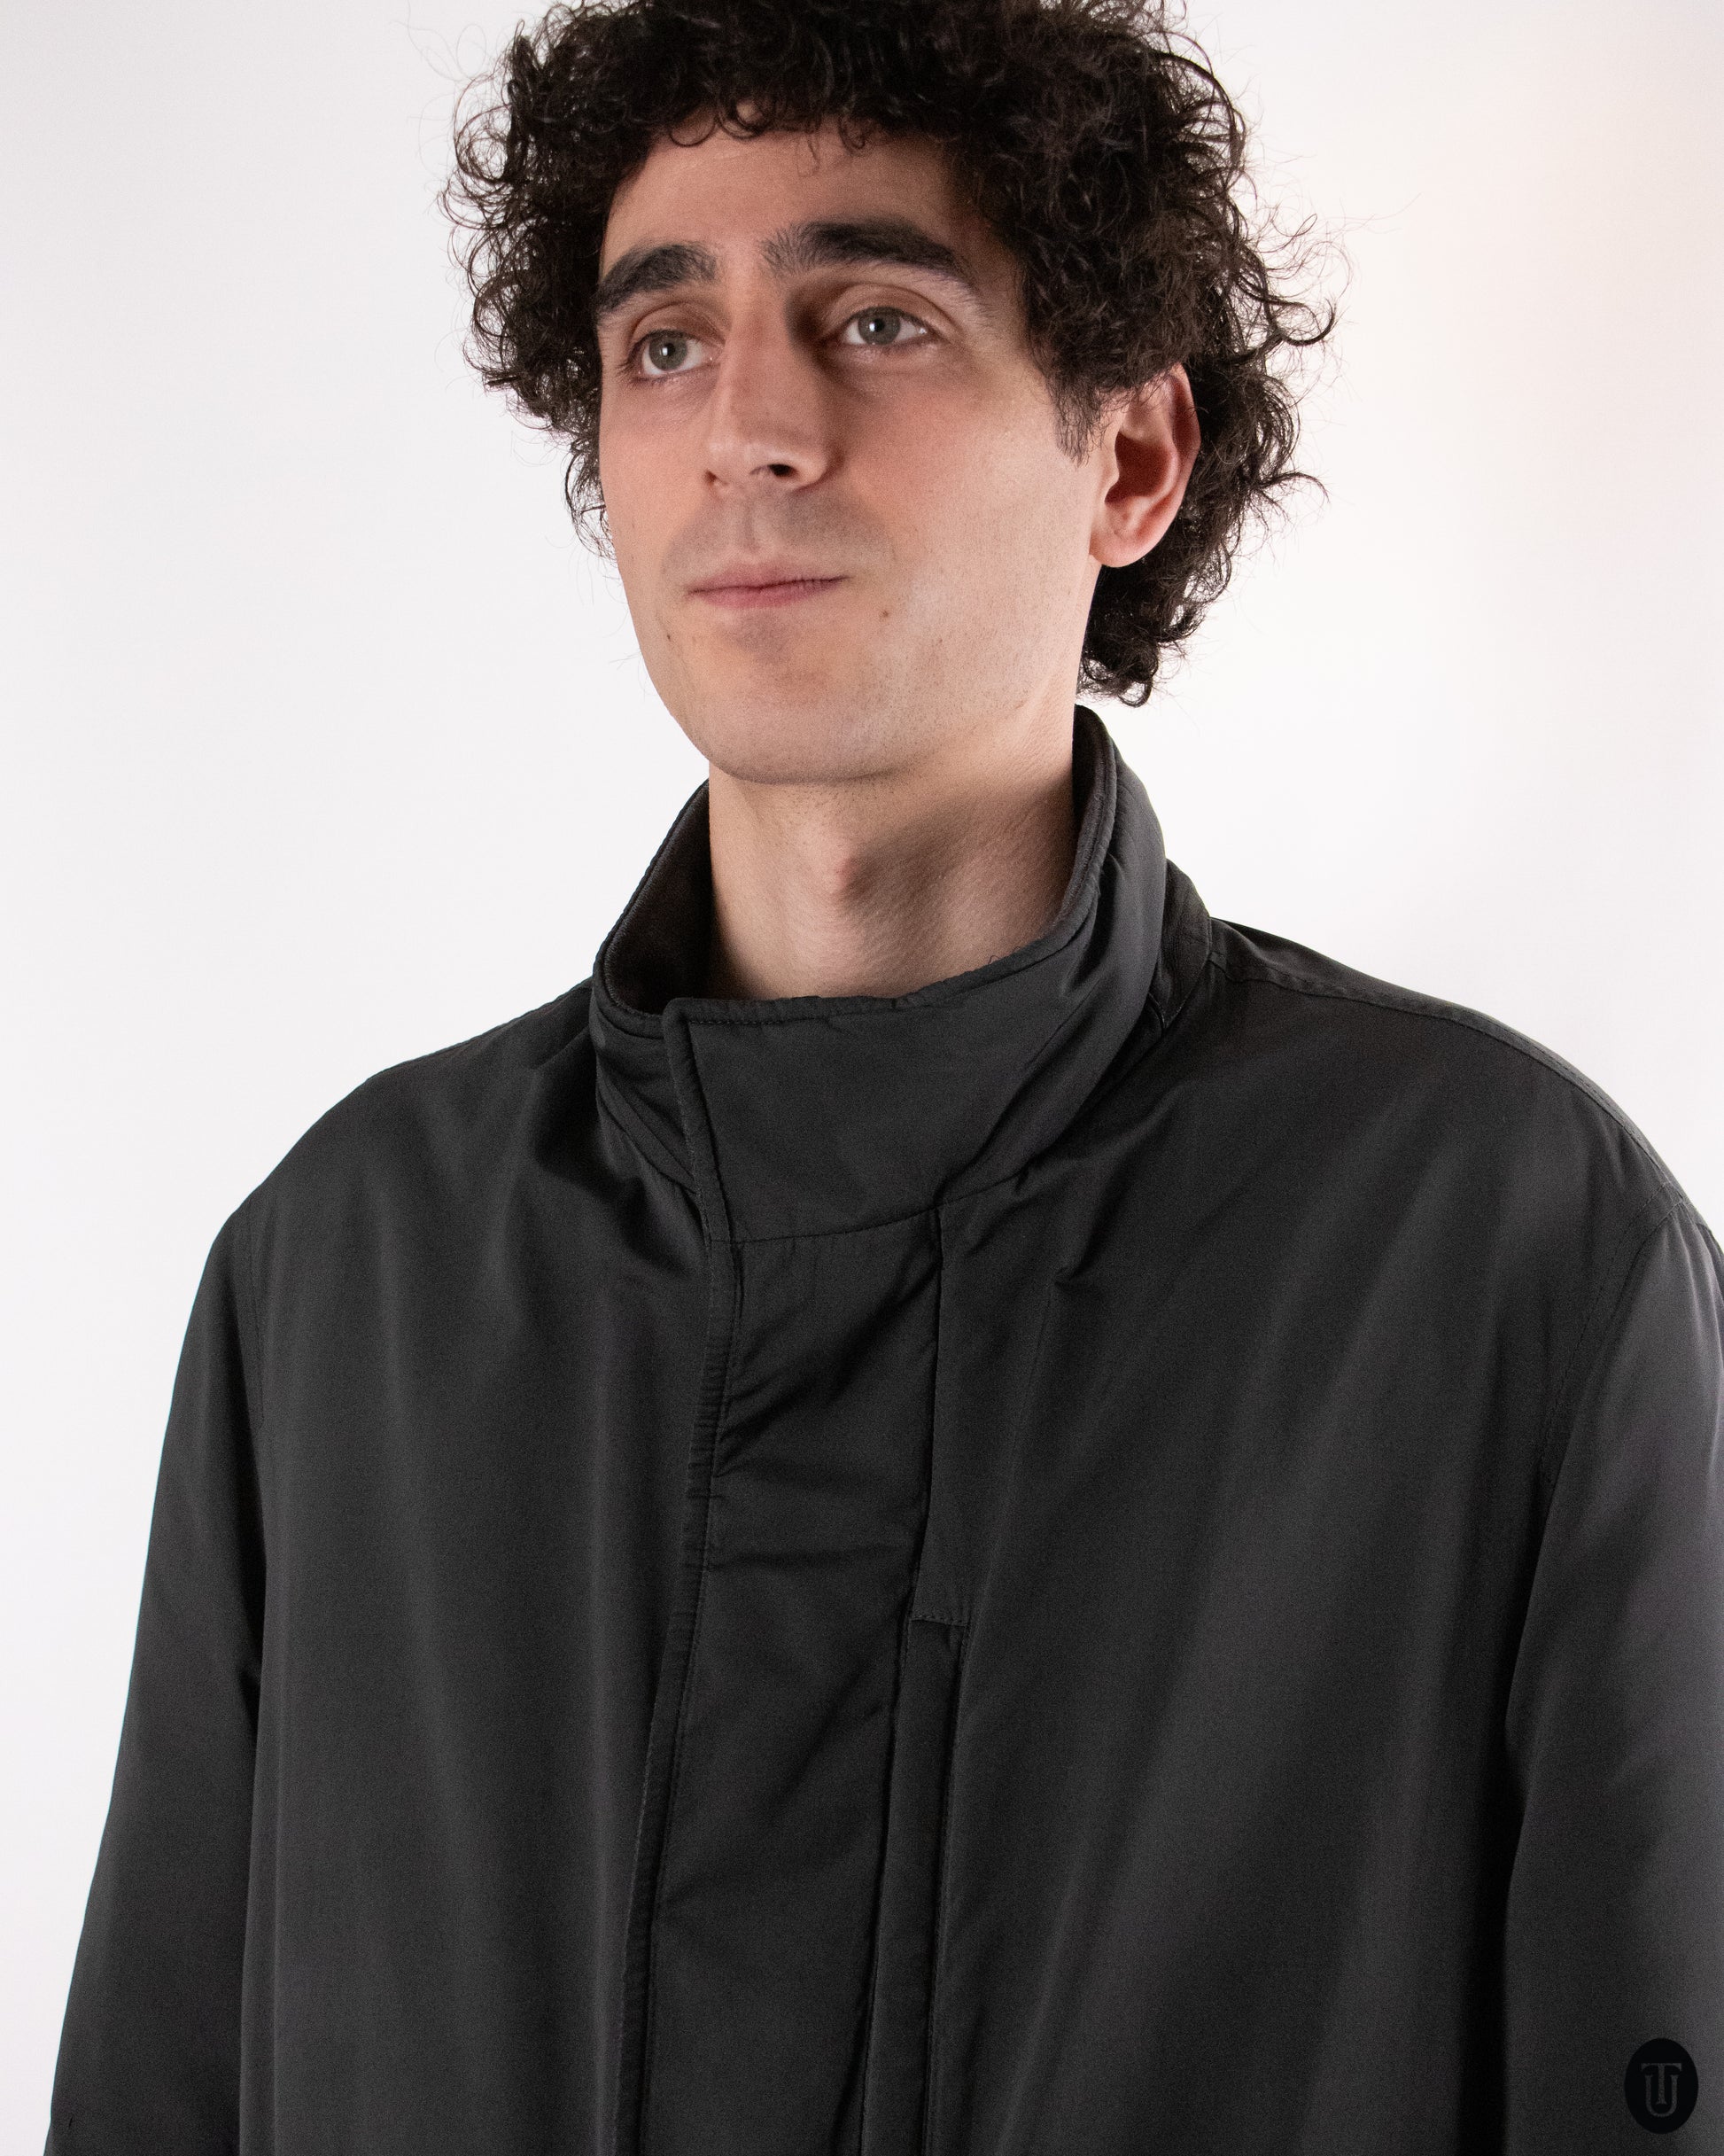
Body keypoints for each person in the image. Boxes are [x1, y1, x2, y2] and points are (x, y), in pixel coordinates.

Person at [45, 0, 1723, 2150]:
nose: (750, 426)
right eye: (666, 342)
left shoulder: (1497, 1248)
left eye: (875, 320)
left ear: (1130, 458)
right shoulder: (346, 1274)